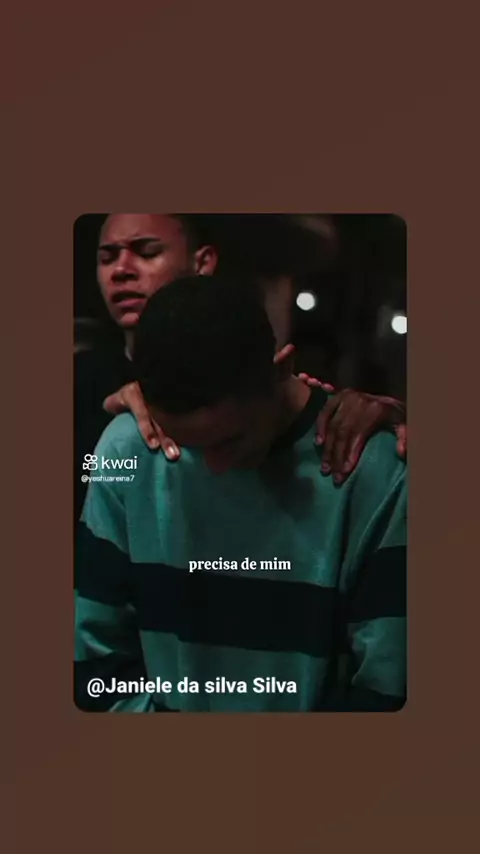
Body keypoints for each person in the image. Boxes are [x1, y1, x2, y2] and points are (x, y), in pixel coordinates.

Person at [75, 274, 406, 713]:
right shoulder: (129, 449)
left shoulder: (372, 470)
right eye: (189, 447)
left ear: (281, 371)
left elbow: (387, 687)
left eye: (230, 440)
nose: (215, 467)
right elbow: (94, 664)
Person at [75, 213, 407, 521]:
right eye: (106, 257)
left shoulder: (268, 390)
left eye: (147, 252)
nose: (121, 270)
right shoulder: (82, 385)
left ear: (202, 262)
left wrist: (388, 423)